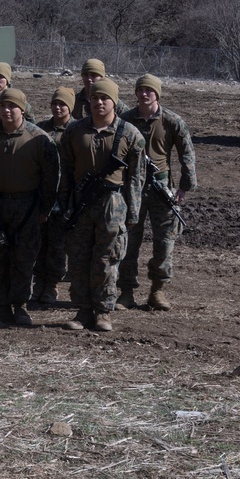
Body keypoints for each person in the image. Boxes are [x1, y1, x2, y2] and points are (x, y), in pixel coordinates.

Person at [59, 79, 145, 332]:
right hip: (80, 203)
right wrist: (64, 205)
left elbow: (137, 178)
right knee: (78, 259)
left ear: (114, 102)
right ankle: (83, 310)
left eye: (104, 98)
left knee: (106, 260)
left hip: (113, 204)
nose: (98, 102)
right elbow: (65, 171)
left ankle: (103, 312)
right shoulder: (74, 131)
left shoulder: (130, 134)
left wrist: (133, 212)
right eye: (94, 98)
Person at [0, 88, 60, 327]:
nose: (6, 110)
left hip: (27, 206)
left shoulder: (39, 139)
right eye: (3, 106)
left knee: (24, 258)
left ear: (22, 109)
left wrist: (44, 209)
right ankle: (1, 306)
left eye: (12, 106)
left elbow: (51, 177)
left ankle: (20, 307)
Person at [118, 74, 197, 310]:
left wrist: (183, 187)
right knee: (128, 241)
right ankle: (126, 292)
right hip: (131, 188)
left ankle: (157, 291)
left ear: (157, 94)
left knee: (164, 242)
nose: (144, 94)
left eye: (149, 91)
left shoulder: (172, 120)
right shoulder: (125, 120)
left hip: (162, 189)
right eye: (140, 90)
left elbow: (187, 154)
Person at [32, 87, 77, 304]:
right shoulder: (40, 129)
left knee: (57, 245)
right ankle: (38, 283)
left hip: (65, 196)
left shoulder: (77, 130)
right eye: (55, 103)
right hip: (41, 194)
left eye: (63, 104)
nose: (58, 107)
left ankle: (52, 285)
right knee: (39, 241)